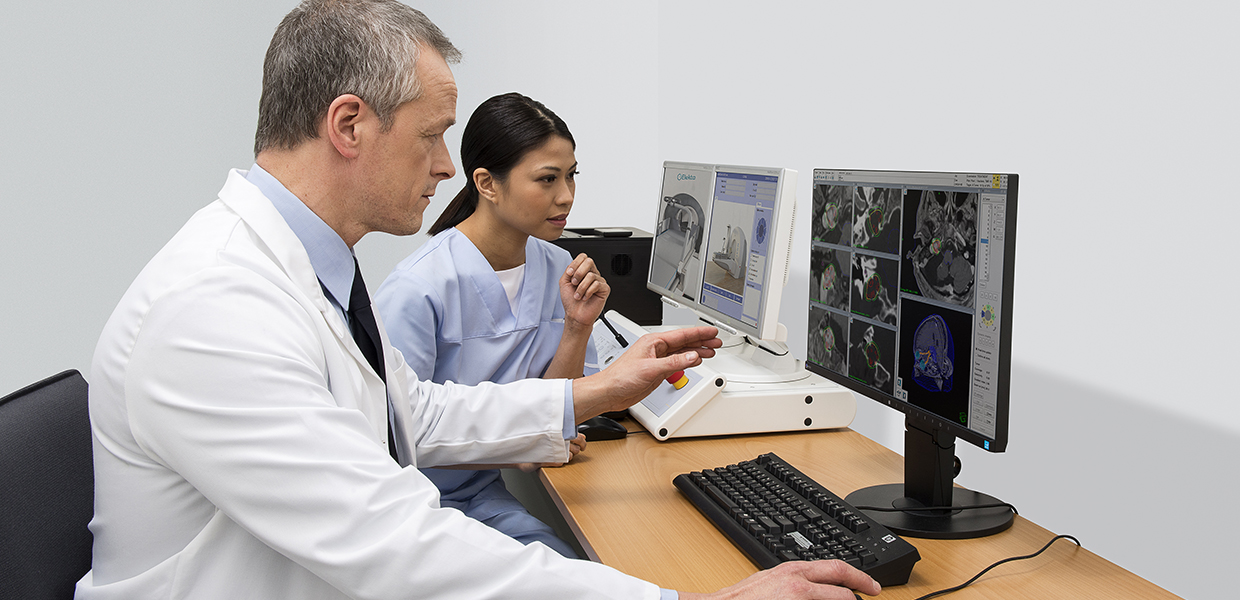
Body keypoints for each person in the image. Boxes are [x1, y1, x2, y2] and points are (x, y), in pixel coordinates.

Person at [76, 1, 881, 599]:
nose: (443, 170)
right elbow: (392, 541)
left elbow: (415, 415)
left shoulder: (311, 268)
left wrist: (602, 389)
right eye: (432, 136)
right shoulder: (217, 307)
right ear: (349, 125)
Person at [374, 92, 601, 559]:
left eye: (572, 175)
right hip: (415, 505)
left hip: (482, 498)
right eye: (547, 179)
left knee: (587, 568)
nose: (567, 196)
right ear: (487, 183)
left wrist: (577, 328)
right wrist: (524, 444)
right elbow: (396, 437)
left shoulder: (559, 268)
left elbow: (562, 409)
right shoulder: (419, 288)